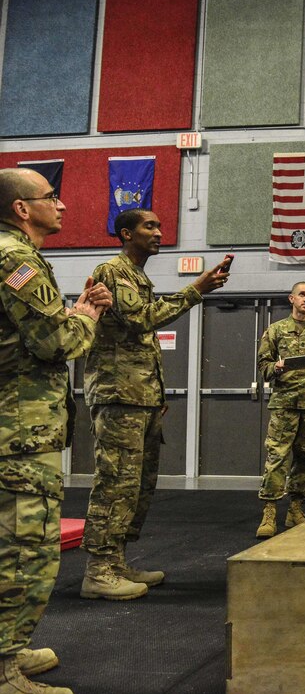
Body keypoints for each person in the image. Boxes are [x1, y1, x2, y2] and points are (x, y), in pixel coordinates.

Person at [0, 167, 113, 694]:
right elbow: (54, 343)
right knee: (27, 552)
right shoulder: (16, 260)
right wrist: (86, 316)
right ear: (22, 208)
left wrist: (73, 316)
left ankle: (11, 649)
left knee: (18, 546)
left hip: (18, 432)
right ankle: (3, 671)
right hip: (16, 435)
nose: (63, 204)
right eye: (51, 197)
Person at [80, 209, 231, 600]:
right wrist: (196, 289)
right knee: (116, 483)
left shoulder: (138, 277)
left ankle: (116, 562)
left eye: (161, 226)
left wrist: (156, 396)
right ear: (126, 233)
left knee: (137, 486)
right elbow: (140, 321)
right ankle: (98, 571)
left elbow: (139, 343)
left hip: (140, 398)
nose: (160, 233)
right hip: (118, 397)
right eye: (150, 227)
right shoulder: (112, 271)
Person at [254, 282, 305, 538]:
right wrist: (275, 368)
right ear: (292, 299)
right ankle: (269, 512)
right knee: (277, 457)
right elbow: (262, 364)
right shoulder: (276, 331)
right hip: (285, 404)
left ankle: (295, 510)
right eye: (302, 295)